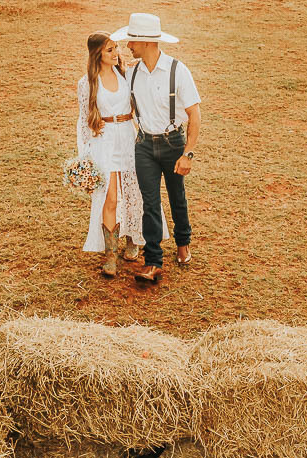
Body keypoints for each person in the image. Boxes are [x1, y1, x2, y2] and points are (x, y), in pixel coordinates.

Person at [110, 13, 200, 283]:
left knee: (177, 197)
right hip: (145, 145)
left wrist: (188, 154)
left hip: (174, 143)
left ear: (146, 42)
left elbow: (195, 114)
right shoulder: (132, 73)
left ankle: (183, 243)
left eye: (132, 42)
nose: (129, 47)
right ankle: (153, 261)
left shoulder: (177, 70)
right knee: (150, 202)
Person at [76, 31, 168, 277]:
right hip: (104, 141)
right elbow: (84, 121)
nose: (116, 53)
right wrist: (84, 156)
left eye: (115, 48)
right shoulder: (87, 83)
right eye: (109, 50)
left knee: (135, 191)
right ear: (97, 54)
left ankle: (134, 238)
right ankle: (110, 255)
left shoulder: (126, 74)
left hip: (128, 136)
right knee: (111, 197)